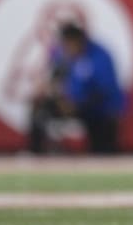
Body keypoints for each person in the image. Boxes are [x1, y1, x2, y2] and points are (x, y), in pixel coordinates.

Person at [29, 23, 125, 154]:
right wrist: (49, 92)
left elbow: (105, 90)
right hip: (67, 104)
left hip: (97, 108)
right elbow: (52, 79)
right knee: (39, 110)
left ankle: (105, 154)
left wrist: (77, 104)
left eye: (69, 43)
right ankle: (34, 153)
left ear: (79, 41)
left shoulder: (100, 56)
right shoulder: (60, 54)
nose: (67, 47)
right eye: (64, 43)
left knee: (102, 145)